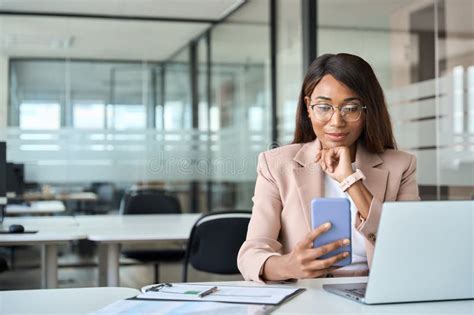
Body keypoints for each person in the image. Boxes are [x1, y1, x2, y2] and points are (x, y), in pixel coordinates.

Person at [237, 53, 420, 282]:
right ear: (308, 107)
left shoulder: (401, 166)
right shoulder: (275, 165)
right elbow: (251, 254)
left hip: (376, 292)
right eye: (324, 107)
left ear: (367, 111)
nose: (336, 121)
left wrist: (350, 180)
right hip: (307, 296)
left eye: (350, 108)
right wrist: (288, 266)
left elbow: (409, 246)